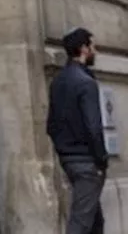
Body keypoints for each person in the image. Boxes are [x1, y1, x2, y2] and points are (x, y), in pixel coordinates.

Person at [47, 27, 107, 234]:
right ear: (84, 49)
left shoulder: (57, 82)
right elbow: (94, 127)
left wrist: (63, 151)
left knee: (94, 221)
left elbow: (51, 125)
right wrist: (101, 160)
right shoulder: (86, 83)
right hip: (86, 162)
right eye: (93, 46)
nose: (95, 51)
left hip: (68, 159)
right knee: (81, 222)